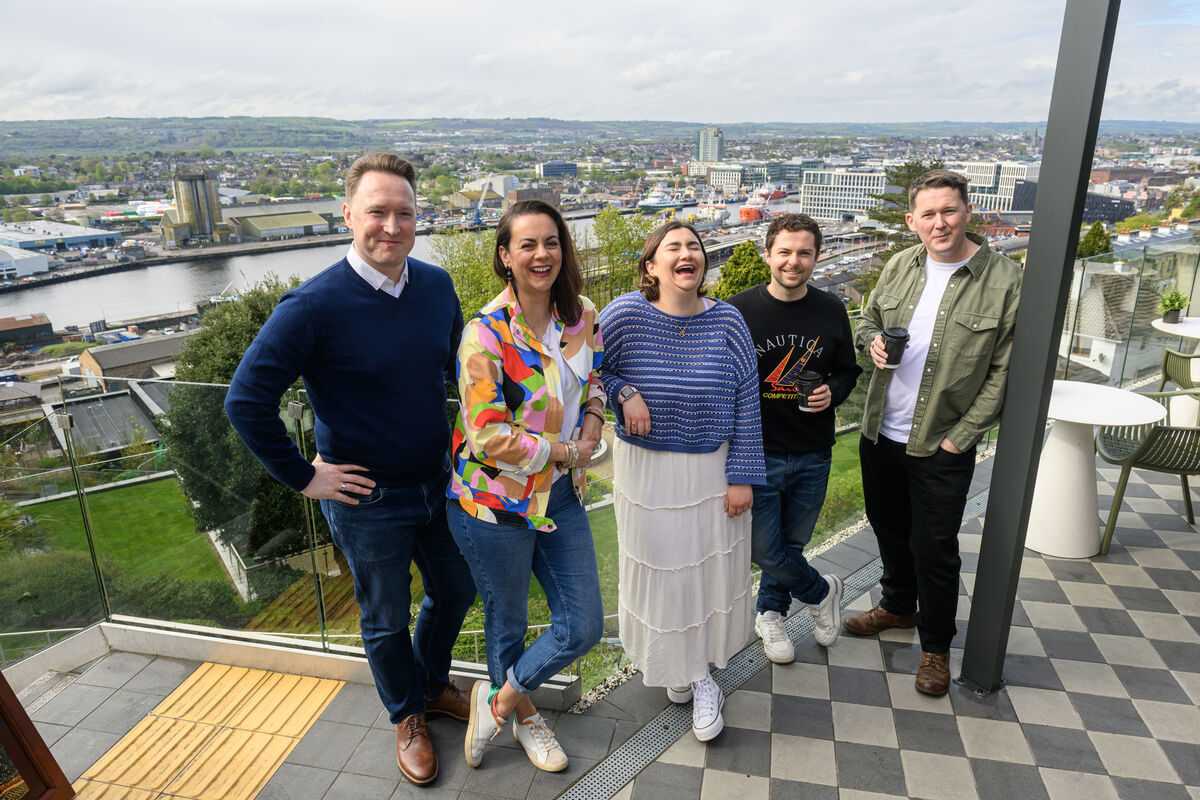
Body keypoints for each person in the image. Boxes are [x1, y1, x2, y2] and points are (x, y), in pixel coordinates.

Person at [224, 153, 477, 786]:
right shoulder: (311, 307)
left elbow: (457, 370)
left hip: (439, 483)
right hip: (367, 500)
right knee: (386, 615)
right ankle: (407, 715)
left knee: (455, 593)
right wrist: (305, 478)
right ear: (348, 216)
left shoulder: (437, 287)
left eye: (405, 214)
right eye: (378, 212)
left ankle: (430, 682)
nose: (392, 226)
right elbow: (245, 400)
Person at [846, 169, 1021, 696]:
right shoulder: (901, 265)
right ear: (912, 221)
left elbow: (1004, 374)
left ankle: (936, 649)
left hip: (941, 443)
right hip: (881, 434)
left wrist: (959, 438)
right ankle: (898, 606)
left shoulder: (1006, 280)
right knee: (889, 529)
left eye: (949, 211)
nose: (939, 223)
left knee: (935, 549)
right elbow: (866, 323)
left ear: (968, 211)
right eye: (928, 214)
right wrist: (872, 341)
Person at [447, 200, 604, 773]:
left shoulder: (582, 313)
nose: (543, 255)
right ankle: (528, 720)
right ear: (505, 257)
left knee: (582, 625)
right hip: (493, 505)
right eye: (528, 245)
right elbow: (486, 436)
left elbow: (596, 380)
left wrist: (592, 420)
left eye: (552, 243)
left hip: (559, 497)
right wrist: (564, 451)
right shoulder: (484, 334)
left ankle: (499, 703)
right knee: (507, 621)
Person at [599, 221, 765, 742]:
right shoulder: (623, 314)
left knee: (703, 571)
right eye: (672, 247)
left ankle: (699, 675)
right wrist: (624, 391)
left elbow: (747, 401)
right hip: (647, 473)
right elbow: (585, 371)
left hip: (712, 469)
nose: (686, 253)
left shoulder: (730, 321)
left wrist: (742, 476)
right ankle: (677, 665)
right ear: (651, 266)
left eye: (694, 246)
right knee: (664, 571)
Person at [727, 213, 861, 664]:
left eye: (804, 252)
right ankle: (824, 592)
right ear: (768, 254)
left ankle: (771, 613)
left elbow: (848, 371)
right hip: (755, 453)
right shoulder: (738, 311)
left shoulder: (831, 309)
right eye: (784, 251)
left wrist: (833, 391)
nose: (793, 261)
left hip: (813, 450)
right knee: (764, 548)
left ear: (816, 257)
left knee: (790, 546)